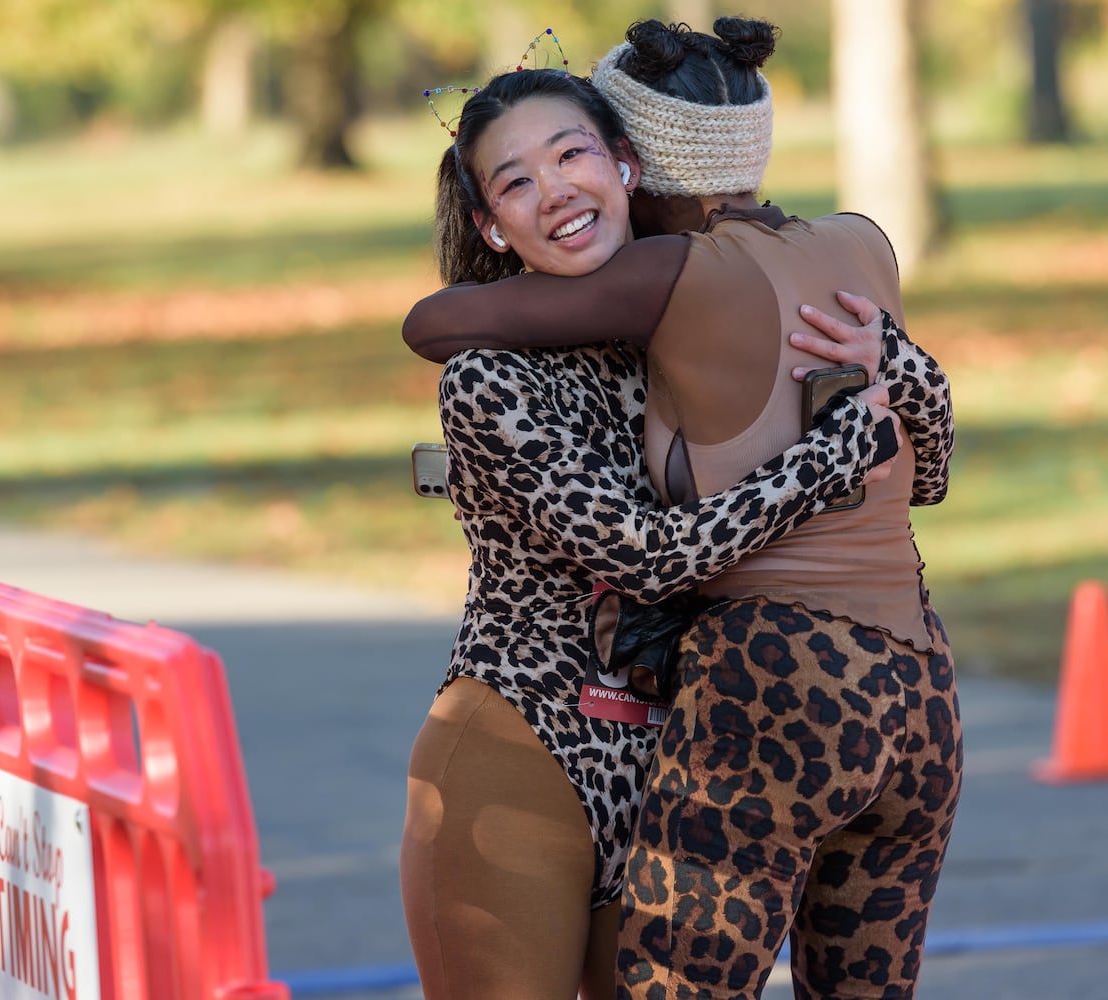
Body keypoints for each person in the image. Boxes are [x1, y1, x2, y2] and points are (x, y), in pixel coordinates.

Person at [401, 17, 962, 1000]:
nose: (556, 190)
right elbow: (652, 558)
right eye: (515, 182)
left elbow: (921, 458)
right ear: (491, 225)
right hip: (528, 739)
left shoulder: (680, 317)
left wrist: (895, 363)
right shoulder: (490, 379)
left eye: (571, 154)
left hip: (677, 745)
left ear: (626, 165)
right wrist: (821, 464)